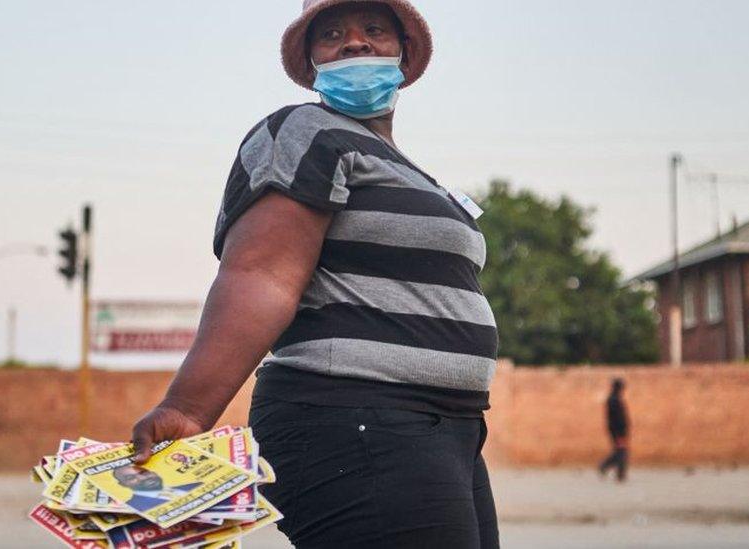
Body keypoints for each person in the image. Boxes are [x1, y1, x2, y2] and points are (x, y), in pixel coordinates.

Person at [131, 1, 500, 546]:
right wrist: (188, 408)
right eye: (332, 34)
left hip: (445, 429)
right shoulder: (305, 131)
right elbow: (262, 274)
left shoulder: (408, 170)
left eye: (373, 29)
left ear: (405, 51)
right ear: (310, 61)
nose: (355, 43)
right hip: (356, 419)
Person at [111, 464, 202, 511]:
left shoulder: (196, 485)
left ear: (154, 472)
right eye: (131, 478)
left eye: (143, 472)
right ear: (123, 484)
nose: (143, 478)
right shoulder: (131, 508)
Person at [598, 378, 630, 482]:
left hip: (618, 431)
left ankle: (608, 467)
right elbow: (617, 418)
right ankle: (609, 467)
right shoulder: (613, 400)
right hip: (618, 431)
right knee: (621, 452)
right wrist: (621, 430)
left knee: (620, 451)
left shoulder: (614, 399)